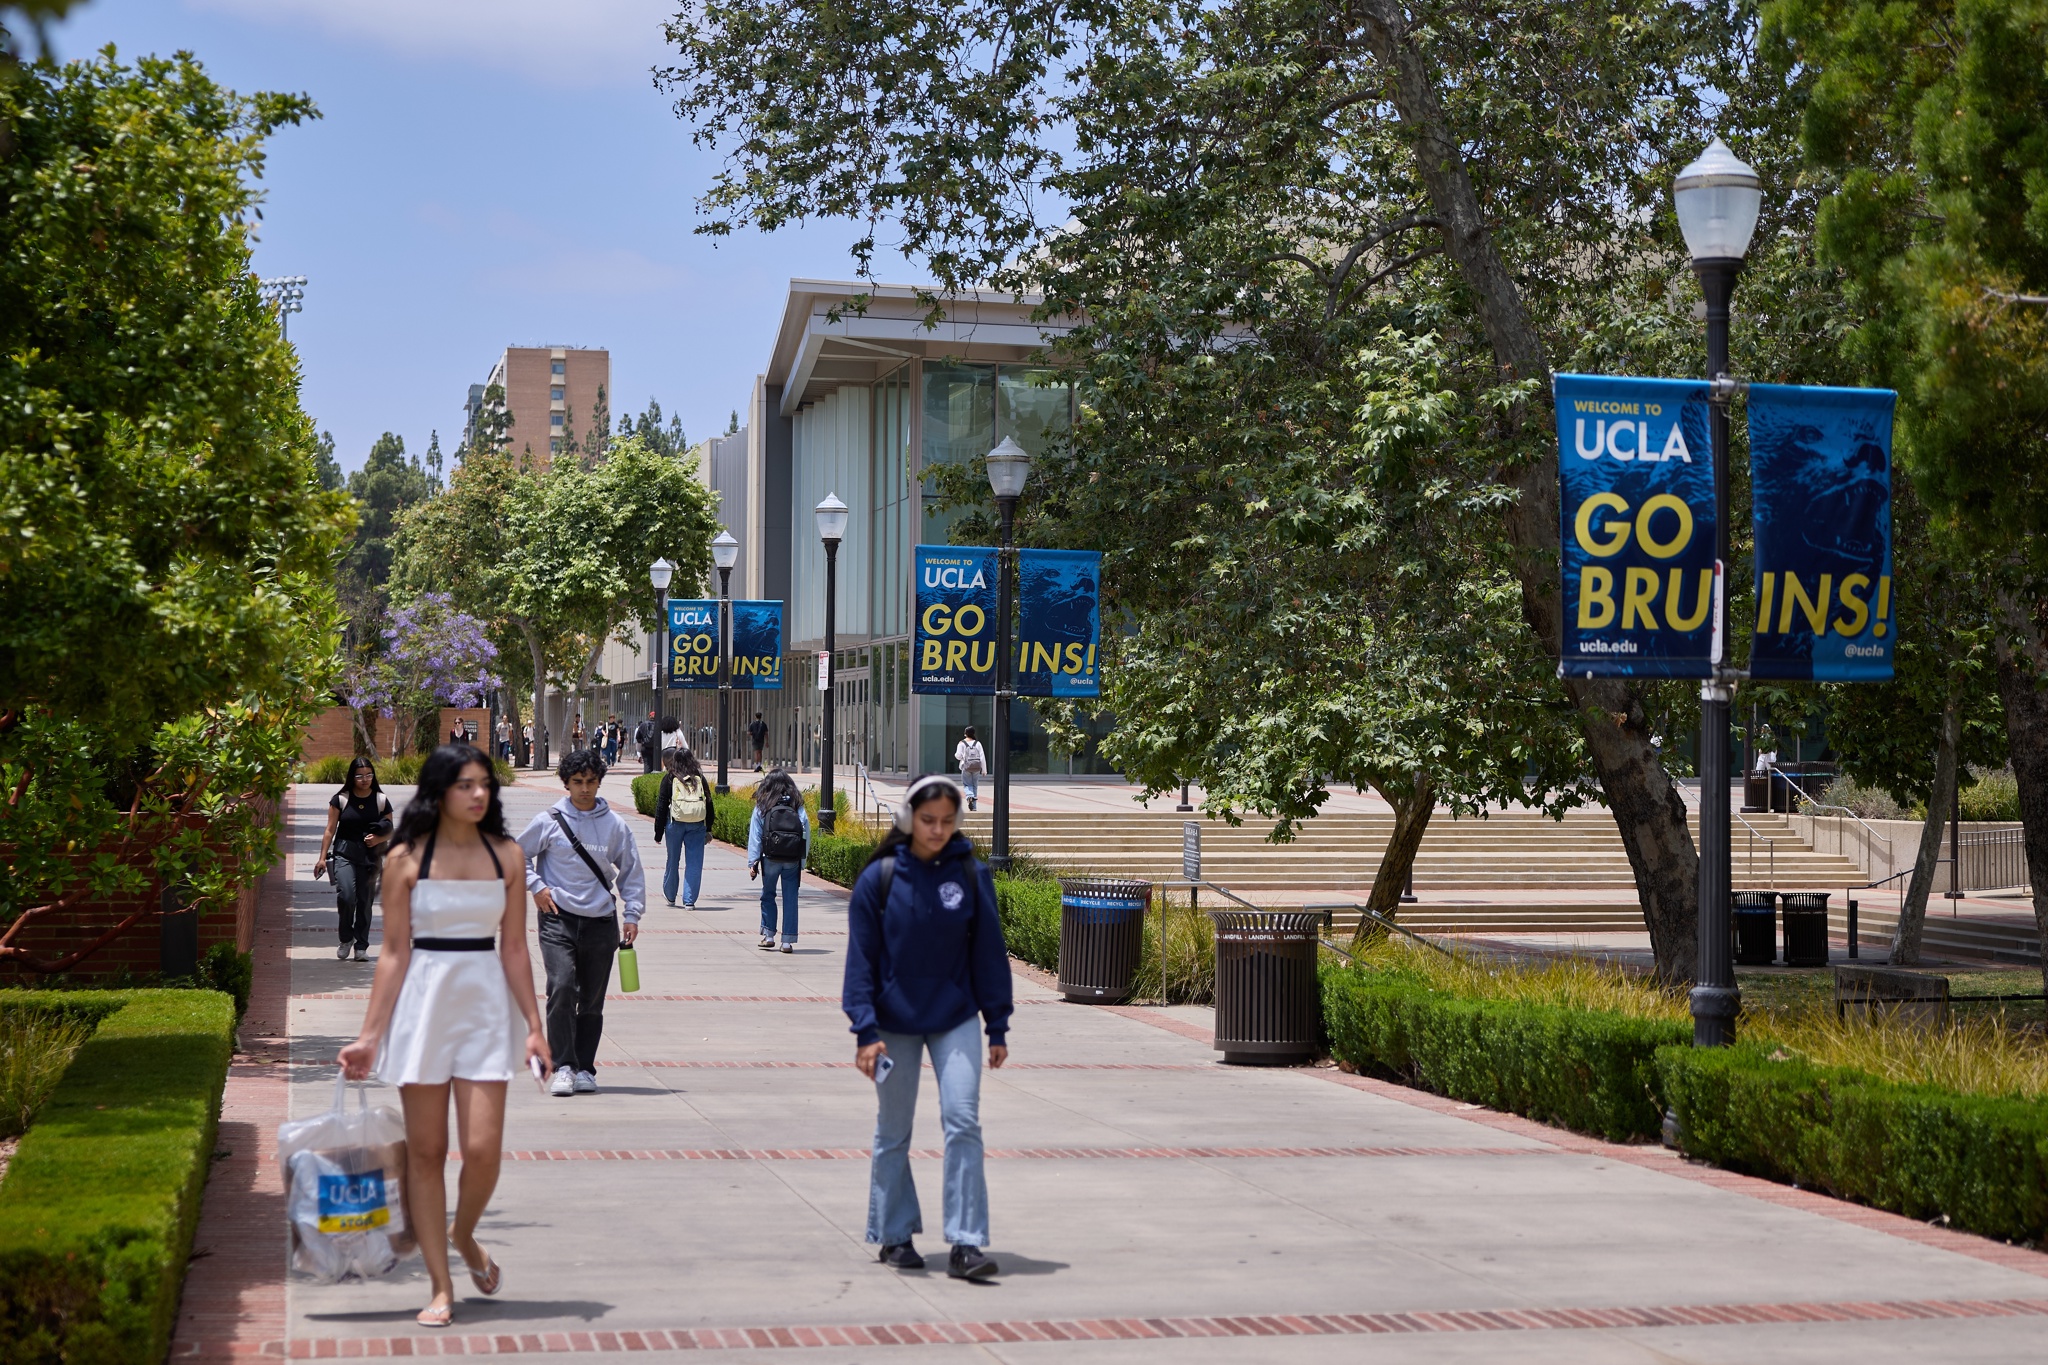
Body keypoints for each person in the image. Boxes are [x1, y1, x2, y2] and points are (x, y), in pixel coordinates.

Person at [338, 744, 548, 1329]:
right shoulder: (406, 858)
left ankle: (463, 1233)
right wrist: (368, 1036)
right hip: (423, 1005)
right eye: (466, 785)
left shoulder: (506, 855)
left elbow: (513, 947)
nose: (479, 795)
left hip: (484, 1006)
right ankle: (440, 1286)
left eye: (485, 784)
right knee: (427, 1154)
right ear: (439, 791)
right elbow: (393, 953)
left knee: (481, 1150)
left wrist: (536, 1027)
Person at [843, 774, 1012, 1282]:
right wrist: (865, 1030)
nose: (937, 830)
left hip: (955, 1016)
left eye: (946, 821)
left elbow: (989, 952)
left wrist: (997, 1024)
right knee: (894, 1130)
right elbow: (861, 963)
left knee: (963, 1122)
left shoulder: (969, 873)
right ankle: (895, 1235)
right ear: (907, 818)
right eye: (927, 820)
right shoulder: (881, 877)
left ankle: (966, 1242)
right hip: (892, 1023)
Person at [516, 748, 647, 1097]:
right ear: (566, 784)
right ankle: (563, 1066)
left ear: (599, 783)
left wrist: (632, 912)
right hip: (557, 918)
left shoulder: (615, 825)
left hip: (601, 922)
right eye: (577, 782)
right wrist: (537, 887)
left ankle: (585, 1068)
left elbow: (630, 870)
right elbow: (517, 855)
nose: (585, 789)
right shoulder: (549, 820)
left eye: (591, 782)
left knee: (591, 999)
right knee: (560, 988)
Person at [314, 756, 393, 961]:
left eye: (369, 775)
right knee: (347, 896)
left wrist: (378, 839)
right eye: (359, 776)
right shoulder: (341, 799)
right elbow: (330, 830)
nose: (365, 779)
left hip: (370, 857)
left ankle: (361, 946)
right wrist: (322, 858)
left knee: (365, 902)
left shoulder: (380, 799)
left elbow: (390, 830)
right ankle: (346, 938)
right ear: (352, 776)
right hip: (344, 854)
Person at [745, 769, 810, 952]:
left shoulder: (763, 805)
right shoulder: (796, 805)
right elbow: (805, 831)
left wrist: (753, 862)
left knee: (768, 895)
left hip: (770, 857)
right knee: (790, 898)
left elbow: (755, 836)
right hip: (792, 859)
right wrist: (802, 861)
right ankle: (787, 941)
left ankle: (769, 935)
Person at [652, 746, 715, 909]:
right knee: (694, 862)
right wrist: (708, 827)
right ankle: (689, 900)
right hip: (697, 825)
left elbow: (661, 806)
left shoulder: (670, 778)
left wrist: (658, 832)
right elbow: (709, 803)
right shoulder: (699, 777)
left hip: (675, 824)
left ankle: (671, 896)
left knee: (673, 859)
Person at [953, 727, 987, 812]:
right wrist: (984, 770)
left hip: (966, 767)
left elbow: (958, 756)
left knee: (967, 784)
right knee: (975, 786)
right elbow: (982, 757)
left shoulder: (961, 743)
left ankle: (969, 796)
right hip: (976, 768)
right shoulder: (977, 743)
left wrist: (962, 757)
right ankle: (974, 807)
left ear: (965, 733)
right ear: (973, 734)